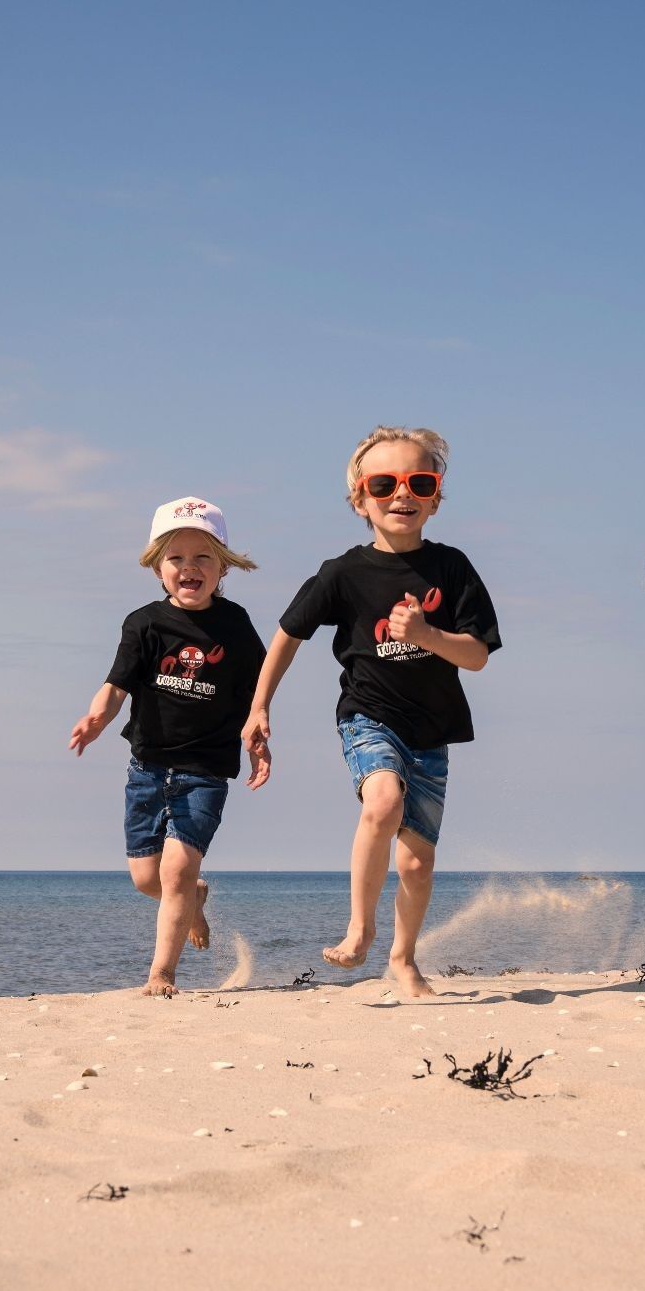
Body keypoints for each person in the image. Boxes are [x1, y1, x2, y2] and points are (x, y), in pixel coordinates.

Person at [244, 427, 499, 1000]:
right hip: (368, 715)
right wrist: (260, 707)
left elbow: (478, 656)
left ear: (436, 496)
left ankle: (403, 960)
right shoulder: (343, 572)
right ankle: (361, 924)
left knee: (415, 866)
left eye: (419, 482)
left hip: (432, 730)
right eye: (383, 484)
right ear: (360, 499)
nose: (401, 494)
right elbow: (287, 634)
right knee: (382, 801)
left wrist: (430, 634)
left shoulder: (453, 568)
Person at [67, 497, 268, 995]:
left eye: (203, 557)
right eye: (176, 557)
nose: (189, 567)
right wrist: (96, 716)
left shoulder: (236, 626)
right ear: (158, 566)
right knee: (145, 878)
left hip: (205, 771)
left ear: (223, 566)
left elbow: (257, 691)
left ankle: (162, 974)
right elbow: (116, 686)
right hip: (148, 768)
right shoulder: (144, 624)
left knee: (176, 872)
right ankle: (193, 902)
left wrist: (258, 737)